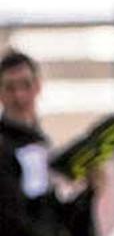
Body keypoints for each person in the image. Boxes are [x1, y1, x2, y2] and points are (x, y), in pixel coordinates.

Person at [0, 49, 99, 236]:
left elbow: (49, 211)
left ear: (38, 86)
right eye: (10, 87)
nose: (19, 96)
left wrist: (89, 191)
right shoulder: (5, 148)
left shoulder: (40, 144)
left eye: (25, 85)